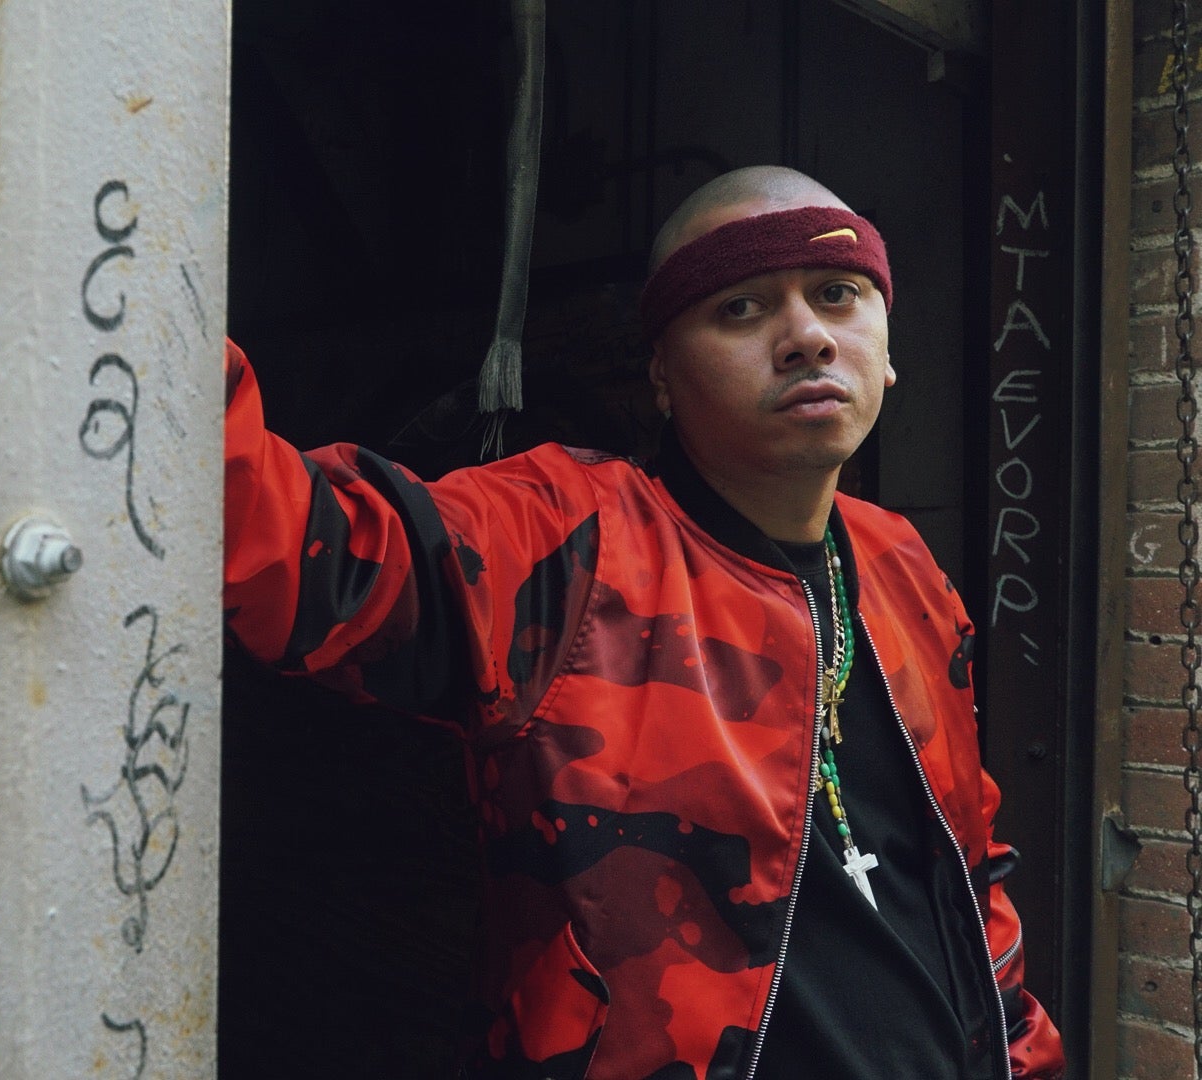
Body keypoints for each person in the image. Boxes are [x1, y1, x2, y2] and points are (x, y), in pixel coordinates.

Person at [222, 166, 1065, 1079]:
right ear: (662, 375)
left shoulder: (903, 568)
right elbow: (296, 543)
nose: (807, 338)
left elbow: (965, 873)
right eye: (741, 309)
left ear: (888, 346)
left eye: (838, 295)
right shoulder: (570, 545)